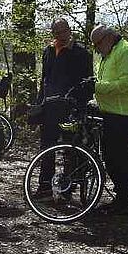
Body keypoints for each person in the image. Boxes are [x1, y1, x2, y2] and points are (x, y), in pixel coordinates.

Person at [34, 19, 94, 197]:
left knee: (71, 149)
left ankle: (69, 187)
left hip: (71, 108)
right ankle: (44, 186)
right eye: (55, 32)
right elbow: (45, 79)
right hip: (50, 107)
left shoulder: (81, 53)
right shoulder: (49, 51)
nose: (58, 36)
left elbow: (87, 83)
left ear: (69, 31)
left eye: (61, 32)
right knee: (46, 148)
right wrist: (40, 103)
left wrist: (79, 104)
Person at [90, 24, 128, 214]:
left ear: (108, 38)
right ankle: (122, 198)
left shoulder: (126, 52)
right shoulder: (109, 55)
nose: (96, 49)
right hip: (111, 113)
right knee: (111, 158)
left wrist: (97, 88)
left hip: (125, 114)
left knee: (122, 159)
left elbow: (126, 83)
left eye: (97, 44)